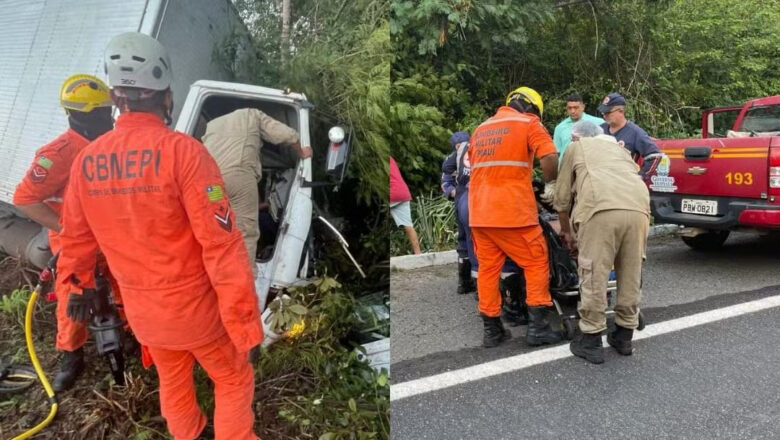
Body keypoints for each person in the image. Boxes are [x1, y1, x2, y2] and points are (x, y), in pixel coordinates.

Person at [57, 32, 262, 440]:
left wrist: (76, 286)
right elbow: (222, 246)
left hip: (145, 314)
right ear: (165, 96)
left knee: (173, 380)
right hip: (197, 312)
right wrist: (245, 326)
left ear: (117, 98)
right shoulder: (185, 154)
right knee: (233, 379)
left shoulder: (86, 163)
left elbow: (74, 241)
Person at [12, 74, 116, 391]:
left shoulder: (109, 144)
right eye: (102, 113)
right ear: (81, 115)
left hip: (112, 238)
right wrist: (68, 229)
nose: (110, 118)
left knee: (122, 290)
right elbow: (25, 198)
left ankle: (126, 337)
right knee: (72, 302)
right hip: (76, 245)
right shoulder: (59, 154)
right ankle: (71, 356)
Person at [468, 86, 562, 348]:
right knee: (535, 263)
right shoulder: (528, 123)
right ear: (532, 108)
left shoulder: (481, 128)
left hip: (480, 214)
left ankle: (492, 330)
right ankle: (539, 327)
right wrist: (552, 183)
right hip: (512, 214)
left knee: (488, 270)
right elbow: (549, 155)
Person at [553, 120, 650, 365]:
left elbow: (562, 198)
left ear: (577, 138)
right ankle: (624, 336)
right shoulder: (622, 150)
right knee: (630, 271)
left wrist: (567, 232)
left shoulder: (577, 147)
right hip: (639, 209)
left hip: (600, 210)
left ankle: (592, 340)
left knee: (594, 273)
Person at [201, 108, 312, 276]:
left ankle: (217, 272)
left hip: (211, 183)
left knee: (222, 224)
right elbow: (286, 134)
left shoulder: (212, 125)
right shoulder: (252, 114)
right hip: (237, 176)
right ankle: (244, 279)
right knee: (246, 230)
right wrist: (302, 151)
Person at [441, 132, 529, 325]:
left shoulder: (461, 150)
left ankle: (485, 304)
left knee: (476, 250)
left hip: (467, 199)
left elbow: (446, 169)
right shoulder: (496, 147)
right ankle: (512, 306)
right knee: (505, 252)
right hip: (490, 200)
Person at [598, 92, 663, 181]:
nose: (604, 115)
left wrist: (640, 178)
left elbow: (655, 156)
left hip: (622, 186)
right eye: (603, 112)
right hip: (601, 183)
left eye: (608, 112)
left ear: (621, 111)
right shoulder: (600, 130)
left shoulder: (635, 132)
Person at [553, 92, 604, 162]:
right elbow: (557, 153)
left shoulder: (598, 123)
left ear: (583, 107)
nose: (572, 111)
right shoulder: (560, 128)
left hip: (589, 165)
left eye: (576, 108)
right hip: (566, 167)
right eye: (569, 108)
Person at [390, 156, 421, 254]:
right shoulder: (389, 158)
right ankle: (418, 254)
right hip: (402, 192)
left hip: (392, 192)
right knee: (409, 226)